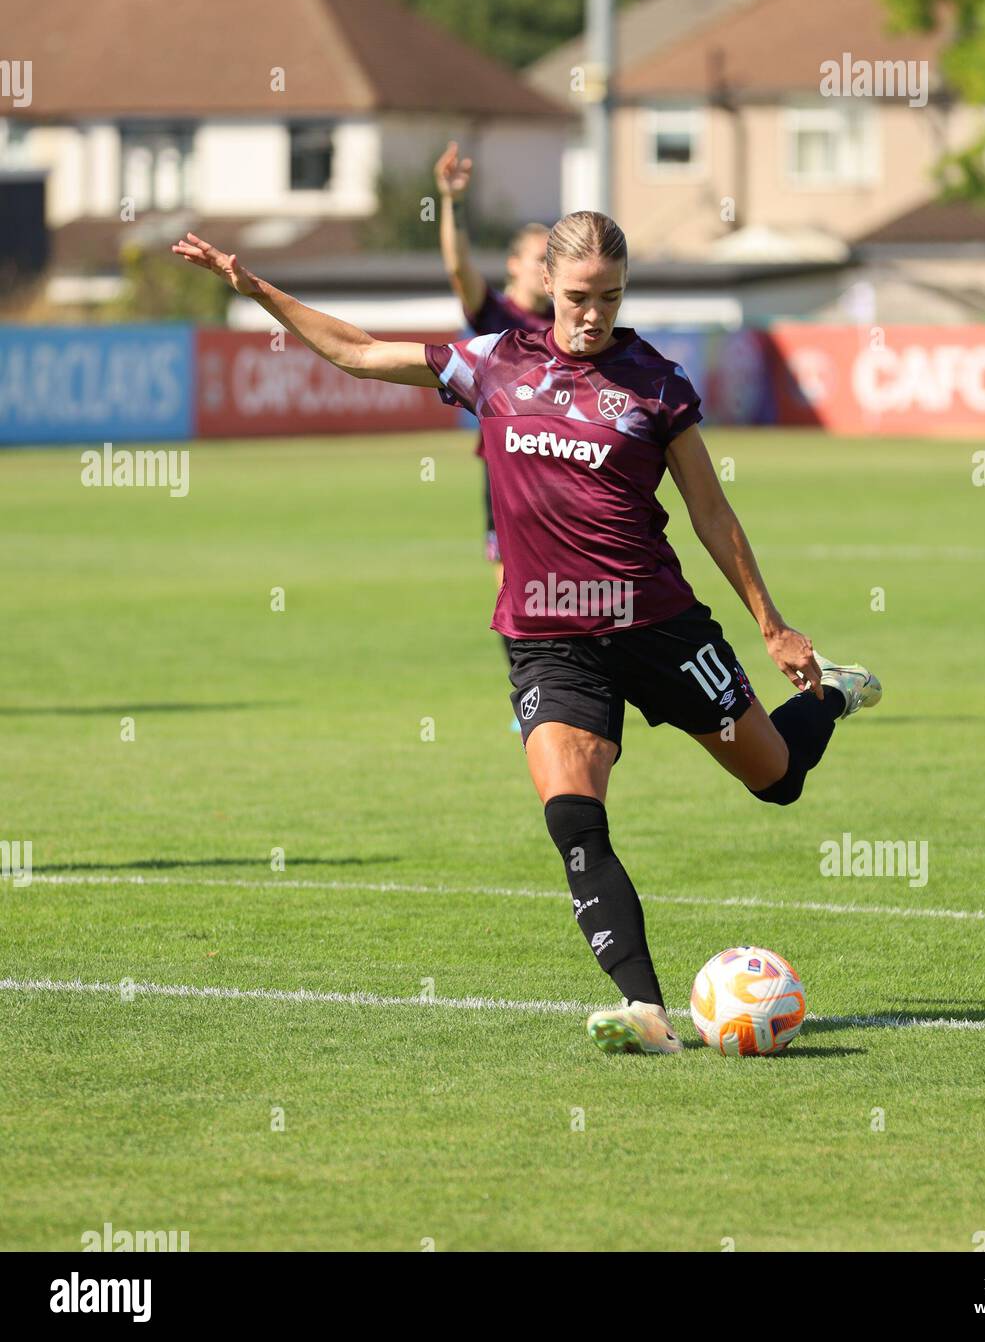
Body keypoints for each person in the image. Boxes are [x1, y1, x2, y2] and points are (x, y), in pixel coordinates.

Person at [171, 212, 882, 1058]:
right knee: (574, 819)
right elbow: (359, 351)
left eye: (611, 298)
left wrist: (772, 625)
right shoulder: (492, 362)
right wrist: (255, 290)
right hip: (549, 637)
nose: (594, 314)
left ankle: (833, 694)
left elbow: (709, 512)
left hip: (657, 625)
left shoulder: (657, 385)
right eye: (580, 297)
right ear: (548, 284)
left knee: (775, 780)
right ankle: (645, 1011)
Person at [434, 141, 552, 600]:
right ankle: (525, 664)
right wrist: (452, 201)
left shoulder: (570, 324)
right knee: (511, 574)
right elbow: (458, 267)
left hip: (566, 458)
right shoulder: (496, 315)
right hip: (507, 464)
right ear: (513, 265)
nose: (548, 267)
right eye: (540, 257)